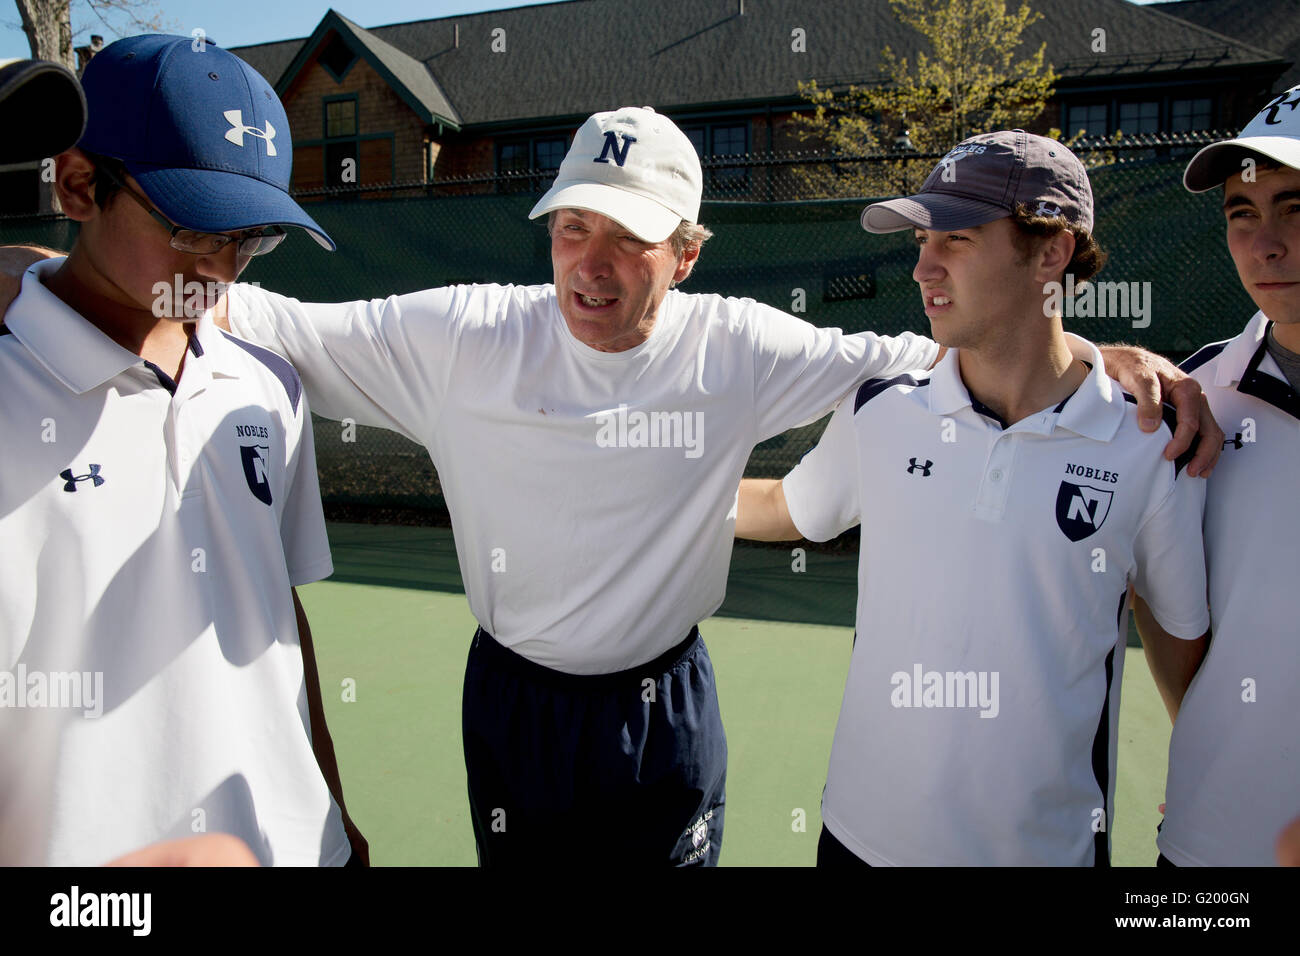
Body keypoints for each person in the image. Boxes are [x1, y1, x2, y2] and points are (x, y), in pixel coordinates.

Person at [197, 108, 1218, 866]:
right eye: (570, 227)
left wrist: (1107, 353)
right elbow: (269, 319)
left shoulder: (746, 346)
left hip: (663, 709)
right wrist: (63, 275)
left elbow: (956, 350)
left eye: (630, 237)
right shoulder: (457, 335)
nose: (590, 264)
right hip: (511, 701)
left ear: (686, 255)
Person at [735, 130, 1212, 866]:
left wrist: (1207, 777)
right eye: (922, 241)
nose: (925, 267)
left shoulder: (1151, 445)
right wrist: (644, 497)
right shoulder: (882, 411)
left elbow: (1181, 645)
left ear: (1051, 252)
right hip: (858, 843)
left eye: (956, 238)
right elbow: (780, 509)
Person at [0, 35, 364, 866]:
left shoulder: (270, 385)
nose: (224, 266)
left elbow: (280, 622)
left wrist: (335, 820)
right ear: (79, 184)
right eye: (196, 226)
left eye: (253, 235)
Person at [1137, 84, 1300, 867]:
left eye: (1297, 209)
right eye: (1243, 214)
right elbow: (1169, 611)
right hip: (1214, 849)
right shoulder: (1196, 399)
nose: (1265, 244)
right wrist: (1210, 739)